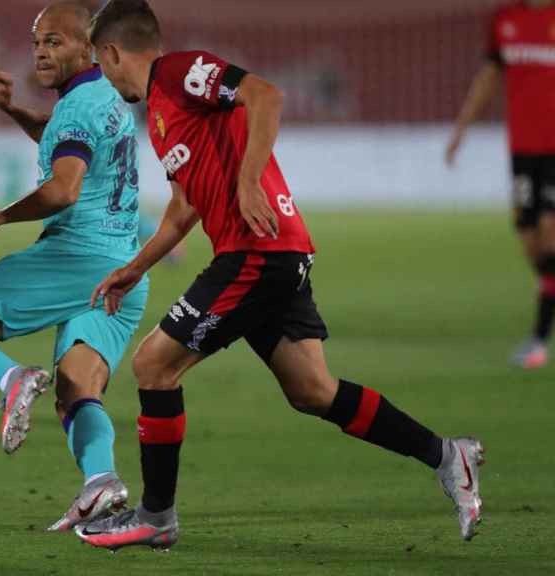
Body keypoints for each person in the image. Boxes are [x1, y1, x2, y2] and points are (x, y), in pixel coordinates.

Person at [75, 0, 484, 551]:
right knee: (313, 391)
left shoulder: (180, 72)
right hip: (273, 254)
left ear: (111, 52)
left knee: (153, 366)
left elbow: (265, 94)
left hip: (256, 251)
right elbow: (182, 209)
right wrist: (133, 268)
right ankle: (446, 454)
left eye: (102, 68)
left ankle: (156, 515)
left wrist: (247, 182)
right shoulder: (158, 114)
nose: (106, 78)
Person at [0, 1, 148, 532]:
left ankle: (11, 379)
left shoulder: (77, 108)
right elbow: (66, 141)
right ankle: (100, 481)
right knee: (77, 391)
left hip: (77, 258)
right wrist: (13, 111)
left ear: (87, 47)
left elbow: (65, 187)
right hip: (125, 273)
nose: (43, 52)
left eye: (56, 41)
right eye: (37, 42)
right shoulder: (104, 96)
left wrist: (3, 215)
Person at [446, 0, 555, 369]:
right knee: (530, 240)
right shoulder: (506, 20)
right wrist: (461, 128)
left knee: (549, 231)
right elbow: (489, 77)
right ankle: (547, 298)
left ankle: (539, 339)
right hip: (523, 149)